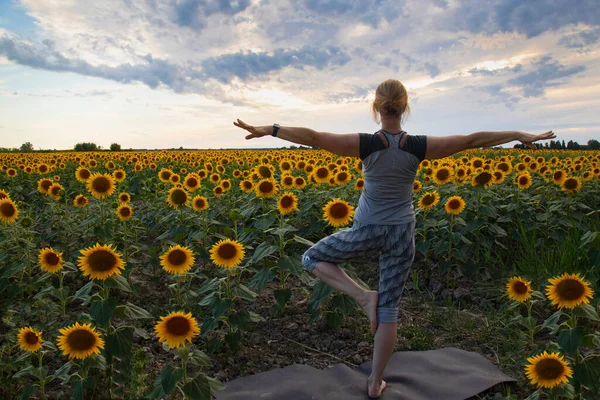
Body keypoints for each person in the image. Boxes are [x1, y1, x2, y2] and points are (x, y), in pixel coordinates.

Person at [233, 78, 555, 399]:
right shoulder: (418, 146)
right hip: (402, 234)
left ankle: (361, 297)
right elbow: (472, 139)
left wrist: (270, 129)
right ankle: (375, 383)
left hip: (367, 230)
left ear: (376, 107)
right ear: (405, 107)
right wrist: (517, 134)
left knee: (311, 258)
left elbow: (314, 137)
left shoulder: (367, 144)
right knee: (389, 311)